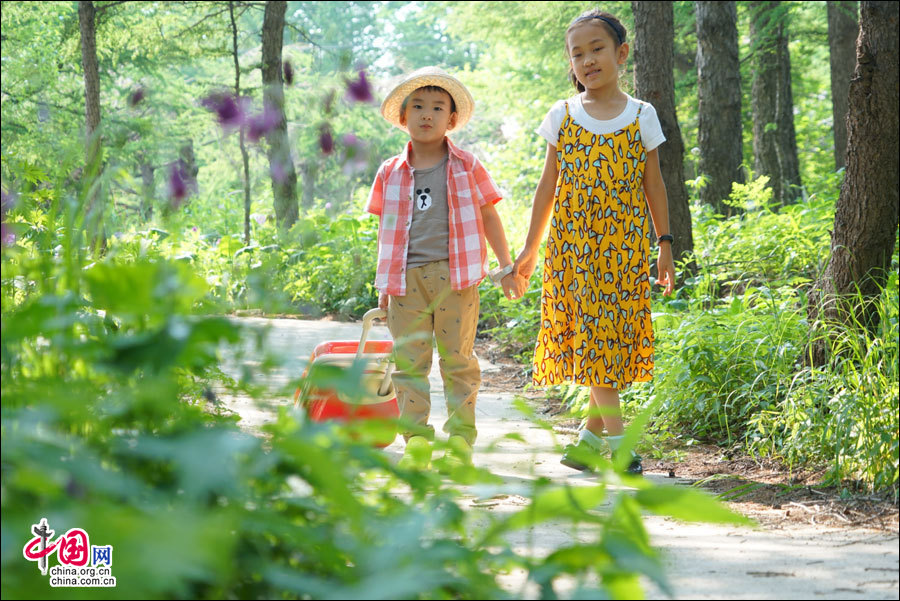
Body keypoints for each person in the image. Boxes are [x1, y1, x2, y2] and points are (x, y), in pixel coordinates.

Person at [513, 10, 676, 476]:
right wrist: (529, 249)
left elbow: (654, 185)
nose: (587, 60)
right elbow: (546, 187)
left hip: (623, 249)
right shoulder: (561, 115)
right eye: (577, 53)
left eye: (597, 49)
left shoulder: (642, 115)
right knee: (593, 342)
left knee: (607, 342)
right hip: (571, 250)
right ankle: (622, 446)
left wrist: (663, 243)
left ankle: (586, 444)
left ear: (621, 53)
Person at [367, 66, 526, 471]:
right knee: (410, 363)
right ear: (403, 117)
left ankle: (460, 442)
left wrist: (507, 266)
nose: (427, 114)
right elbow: (386, 232)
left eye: (438, 107)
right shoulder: (389, 172)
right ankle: (417, 440)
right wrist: (384, 284)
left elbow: (490, 217)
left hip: (457, 279)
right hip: (406, 282)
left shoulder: (467, 165)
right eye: (417, 106)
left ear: (451, 119)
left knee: (458, 360)